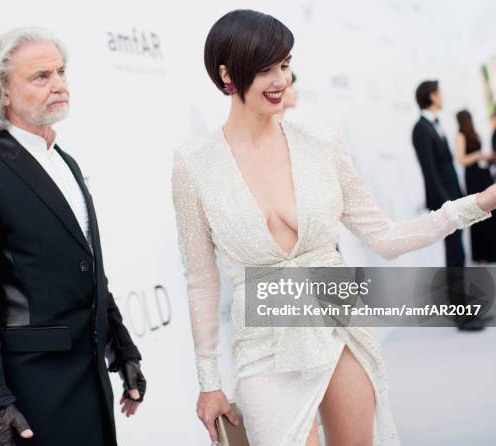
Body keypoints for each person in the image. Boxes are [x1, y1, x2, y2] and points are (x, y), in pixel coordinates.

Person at [171, 10, 496, 446]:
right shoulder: (195, 164)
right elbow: (202, 280)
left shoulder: (321, 144)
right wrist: (208, 380)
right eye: (265, 68)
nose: (280, 80)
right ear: (228, 73)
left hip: (339, 316)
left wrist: (478, 204)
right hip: (265, 345)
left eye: (284, 65)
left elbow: (385, 237)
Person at [0, 27, 145, 446]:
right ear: (4, 92)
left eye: (61, 72)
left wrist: (122, 348)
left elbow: (89, 272)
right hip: (33, 393)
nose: (59, 84)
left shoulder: (65, 163)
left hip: (91, 383)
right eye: (41, 76)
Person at [412, 82, 489, 330]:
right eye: (440, 93)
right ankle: (461, 315)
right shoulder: (421, 129)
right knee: (455, 256)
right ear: (432, 96)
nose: (443, 96)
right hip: (445, 204)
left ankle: (464, 308)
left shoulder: (435, 125)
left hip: (454, 198)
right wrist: (446, 205)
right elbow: (430, 172)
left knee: (459, 255)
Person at [454, 109, 496, 262]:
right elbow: (460, 159)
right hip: (473, 177)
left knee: (491, 211)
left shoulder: (474, 132)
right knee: (478, 211)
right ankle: (481, 254)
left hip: (483, 174)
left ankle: (492, 251)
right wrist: (477, 155)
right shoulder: (460, 135)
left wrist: (486, 156)